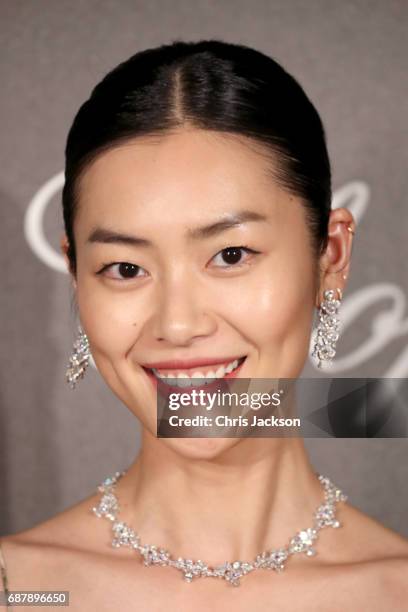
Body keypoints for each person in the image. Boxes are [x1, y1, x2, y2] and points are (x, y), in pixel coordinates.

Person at [1, 39, 407, 611]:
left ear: (331, 255)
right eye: (125, 268)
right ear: (75, 275)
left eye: (232, 256)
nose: (177, 323)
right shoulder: (17, 589)